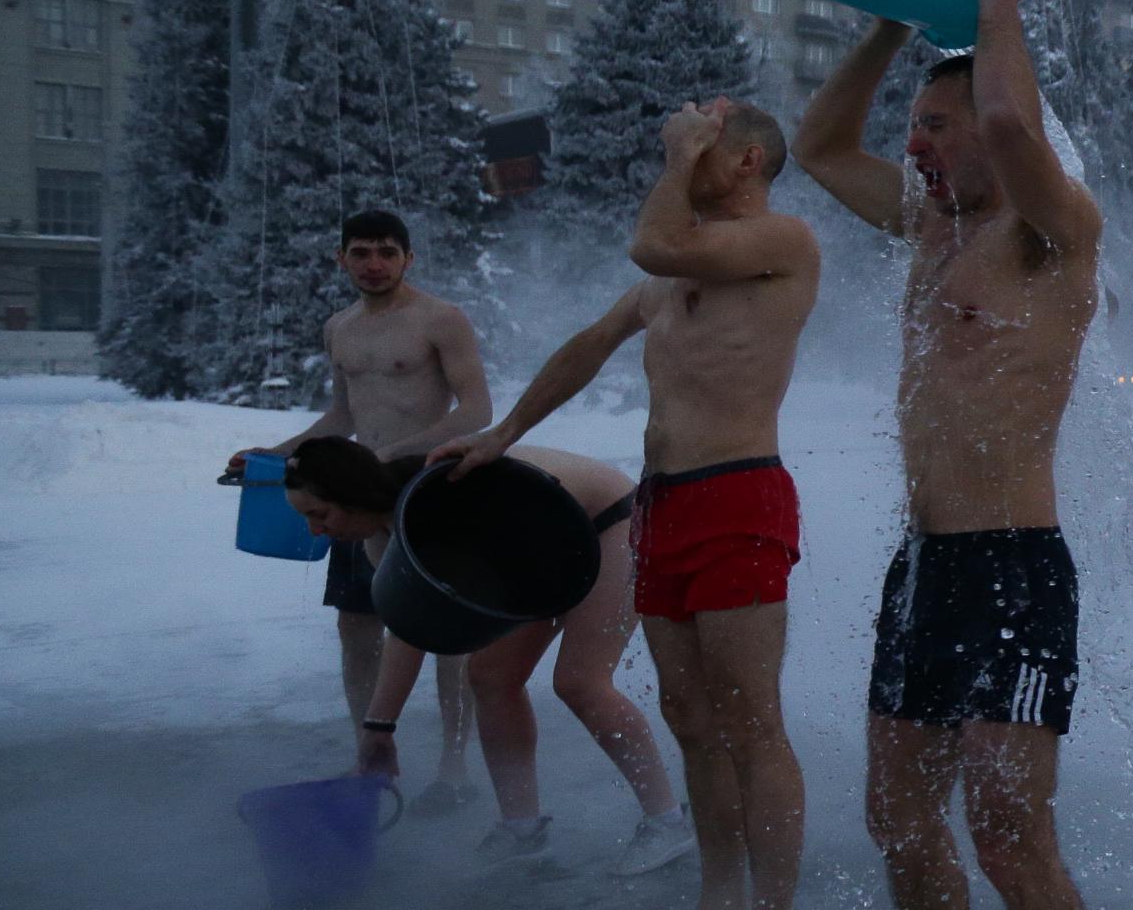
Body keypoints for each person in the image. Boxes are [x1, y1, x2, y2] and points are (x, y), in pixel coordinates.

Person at [436, 99, 821, 910]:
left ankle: (774, 903)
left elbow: (653, 238)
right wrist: (503, 432)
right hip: (662, 506)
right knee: (689, 715)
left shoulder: (781, 243)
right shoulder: (673, 273)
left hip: (739, 492)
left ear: (747, 160)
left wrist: (682, 153)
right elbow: (588, 346)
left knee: (749, 719)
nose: (677, 153)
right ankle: (721, 892)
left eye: (701, 145)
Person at [791, 0, 1106, 910]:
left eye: (934, 123)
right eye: (913, 123)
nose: (913, 143)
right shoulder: (927, 222)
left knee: (1009, 832)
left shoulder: (1051, 230)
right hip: (924, 562)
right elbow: (816, 145)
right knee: (898, 816)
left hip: (1014, 559)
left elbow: (1018, 135)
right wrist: (887, 18)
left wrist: (1000, 6)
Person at [280, 435, 692, 874]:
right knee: (491, 676)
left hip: (613, 519)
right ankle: (522, 829)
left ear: (352, 494)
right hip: (539, 548)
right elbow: (411, 626)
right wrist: (378, 729)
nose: (315, 530)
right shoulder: (380, 540)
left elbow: (411, 632)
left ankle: (667, 820)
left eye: (318, 514)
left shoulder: (440, 494)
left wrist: (380, 725)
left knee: (580, 681)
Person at [223, 209, 491, 814]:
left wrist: (398, 452)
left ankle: (454, 767)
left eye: (387, 252)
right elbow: (342, 418)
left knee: (447, 636)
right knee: (358, 625)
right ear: (340, 258)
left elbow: (476, 410)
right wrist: (274, 454)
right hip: (356, 496)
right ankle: (370, 758)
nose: (374, 264)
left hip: (428, 488)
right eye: (362, 252)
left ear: (408, 259)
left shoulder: (439, 319)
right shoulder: (339, 327)